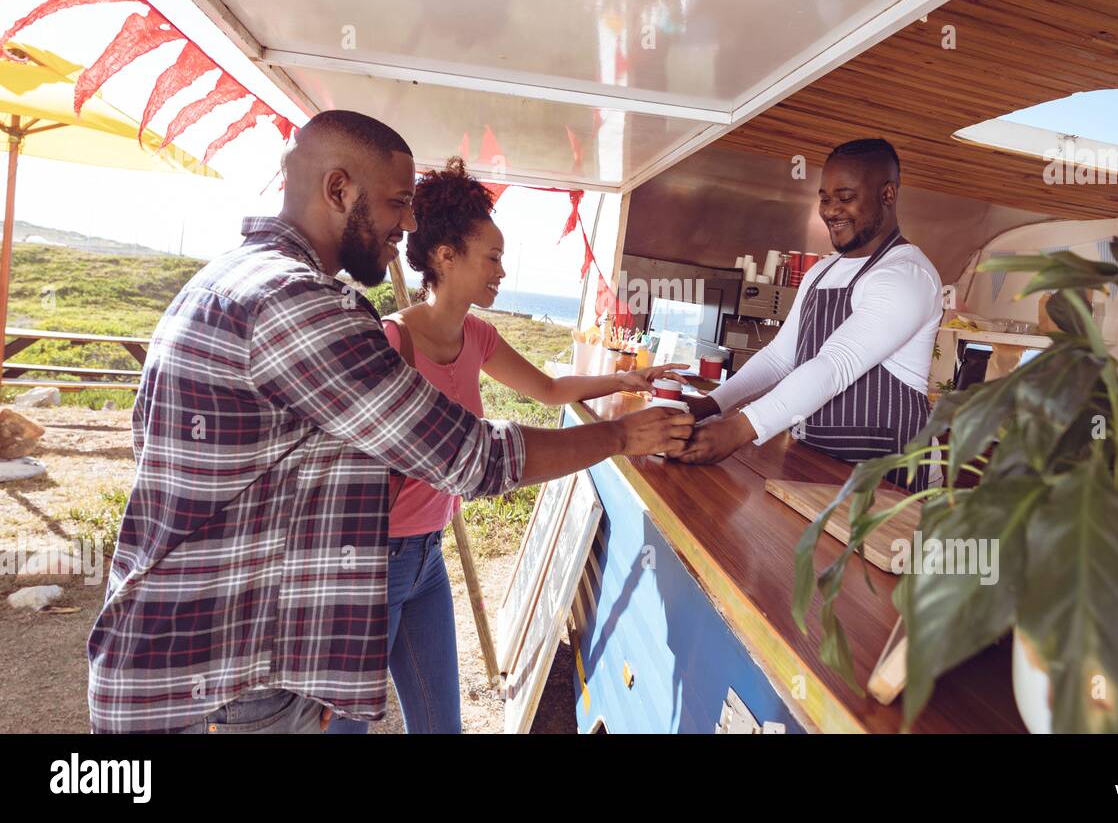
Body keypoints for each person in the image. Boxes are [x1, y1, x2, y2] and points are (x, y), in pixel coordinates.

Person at [86, 110, 692, 734]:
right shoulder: (298, 307)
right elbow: (473, 459)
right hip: (231, 670)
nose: (408, 224)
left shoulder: (224, 281)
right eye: (398, 203)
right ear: (339, 189)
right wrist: (621, 434)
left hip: (219, 648)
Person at [329, 157, 686, 734]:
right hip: (375, 562)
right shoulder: (393, 340)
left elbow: (547, 390)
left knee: (442, 725)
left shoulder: (477, 334)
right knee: (347, 726)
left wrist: (621, 380)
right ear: (446, 257)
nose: (500, 271)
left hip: (426, 559)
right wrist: (616, 437)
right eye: (491, 258)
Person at [670, 138, 941, 491]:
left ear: (888, 194)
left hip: (887, 481)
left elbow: (835, 365)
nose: (830, 211)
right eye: (825, 199)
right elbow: (780, 357)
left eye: (845, 198)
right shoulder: (821, 272)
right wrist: (710, 405)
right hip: (815, 460)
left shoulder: (907, 276)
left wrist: (738, 429)